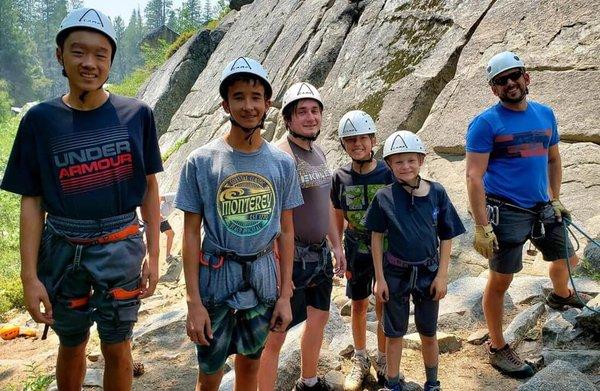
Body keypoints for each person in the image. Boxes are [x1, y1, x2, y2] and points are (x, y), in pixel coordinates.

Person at [0, 8, 162, 390]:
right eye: (78, 51)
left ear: (110, 60)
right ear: (60, 55)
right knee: (71, 343)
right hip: (61, 247)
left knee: (118, 345)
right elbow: (32, 201)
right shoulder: (40, 120)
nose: (89, 62)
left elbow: (150, 188)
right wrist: (29, 276)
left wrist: (154, 253)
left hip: (120, 243)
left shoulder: (136, 115)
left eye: (100, 54)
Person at [175, 57, 303, 391]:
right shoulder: (201, 162)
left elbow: (286, 231)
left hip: (263, 279)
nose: (248, 106)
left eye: (256, 97)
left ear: (268, 104)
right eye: (239, 97)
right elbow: (190, 234)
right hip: (215, 280)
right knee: (210, 372)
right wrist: (193, 302)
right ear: (225, 104)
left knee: (250, 364)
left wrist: (285, 293)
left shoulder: (281, 164)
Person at [465, 51, 591, 378]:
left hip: (543, 206)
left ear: (527, 77)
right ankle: (496, 346)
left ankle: (562, 296)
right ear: (494, 89)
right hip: (506, 211)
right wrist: (482, 226)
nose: (510, 83)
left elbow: (553, 159)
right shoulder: (486, 124)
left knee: (565, 255)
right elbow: (474, 176)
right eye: (501, 81)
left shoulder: (545, 115)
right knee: (501, 280)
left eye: (514, 75)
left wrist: (556, 198)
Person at [258, 82, 346, 391]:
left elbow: (326, 204)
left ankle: (308, 382)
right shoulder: (280, 156)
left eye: (314, 111)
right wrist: (281, 272)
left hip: (319, 254)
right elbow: (273, 220)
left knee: (319, 319)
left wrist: (337, 245)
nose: (310, 118)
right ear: (288, 119)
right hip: (291, 258)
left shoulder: (318, 151)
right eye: (302, 112)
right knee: (276, 335)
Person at [365, 131, 465, 391]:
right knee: (394, 333)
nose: (405, 166)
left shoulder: (437, 193)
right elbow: (376, 238)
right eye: (398, 162)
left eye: (411, 160)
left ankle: (433, 383)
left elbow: (446, 235)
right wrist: (380, 278)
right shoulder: (384, 197)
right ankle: (393, 382)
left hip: (428, 272)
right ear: (389, 165)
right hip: (395, 273)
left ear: (421, 160)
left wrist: (442, 275)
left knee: (428, 332)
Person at [330, 110, 394, 390]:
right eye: (350, 140)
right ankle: (360, 359)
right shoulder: (340, 177)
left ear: (373, 140)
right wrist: (337, 247)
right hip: (355, 247)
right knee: (357, 304)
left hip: (388, 247)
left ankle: (382, 358)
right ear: (344, 144)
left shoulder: (388, 172)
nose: (357, 144)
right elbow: (337, 212)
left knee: (384, 303)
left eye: (362, 138)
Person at [159, 192, 177, 262]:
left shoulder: (181, 200)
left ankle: (168, 256)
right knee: (151, 242)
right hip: (156, 217)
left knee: (171, 234)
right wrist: (158, 214)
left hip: (162, 220)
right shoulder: (174, 195)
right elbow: (158, 198)